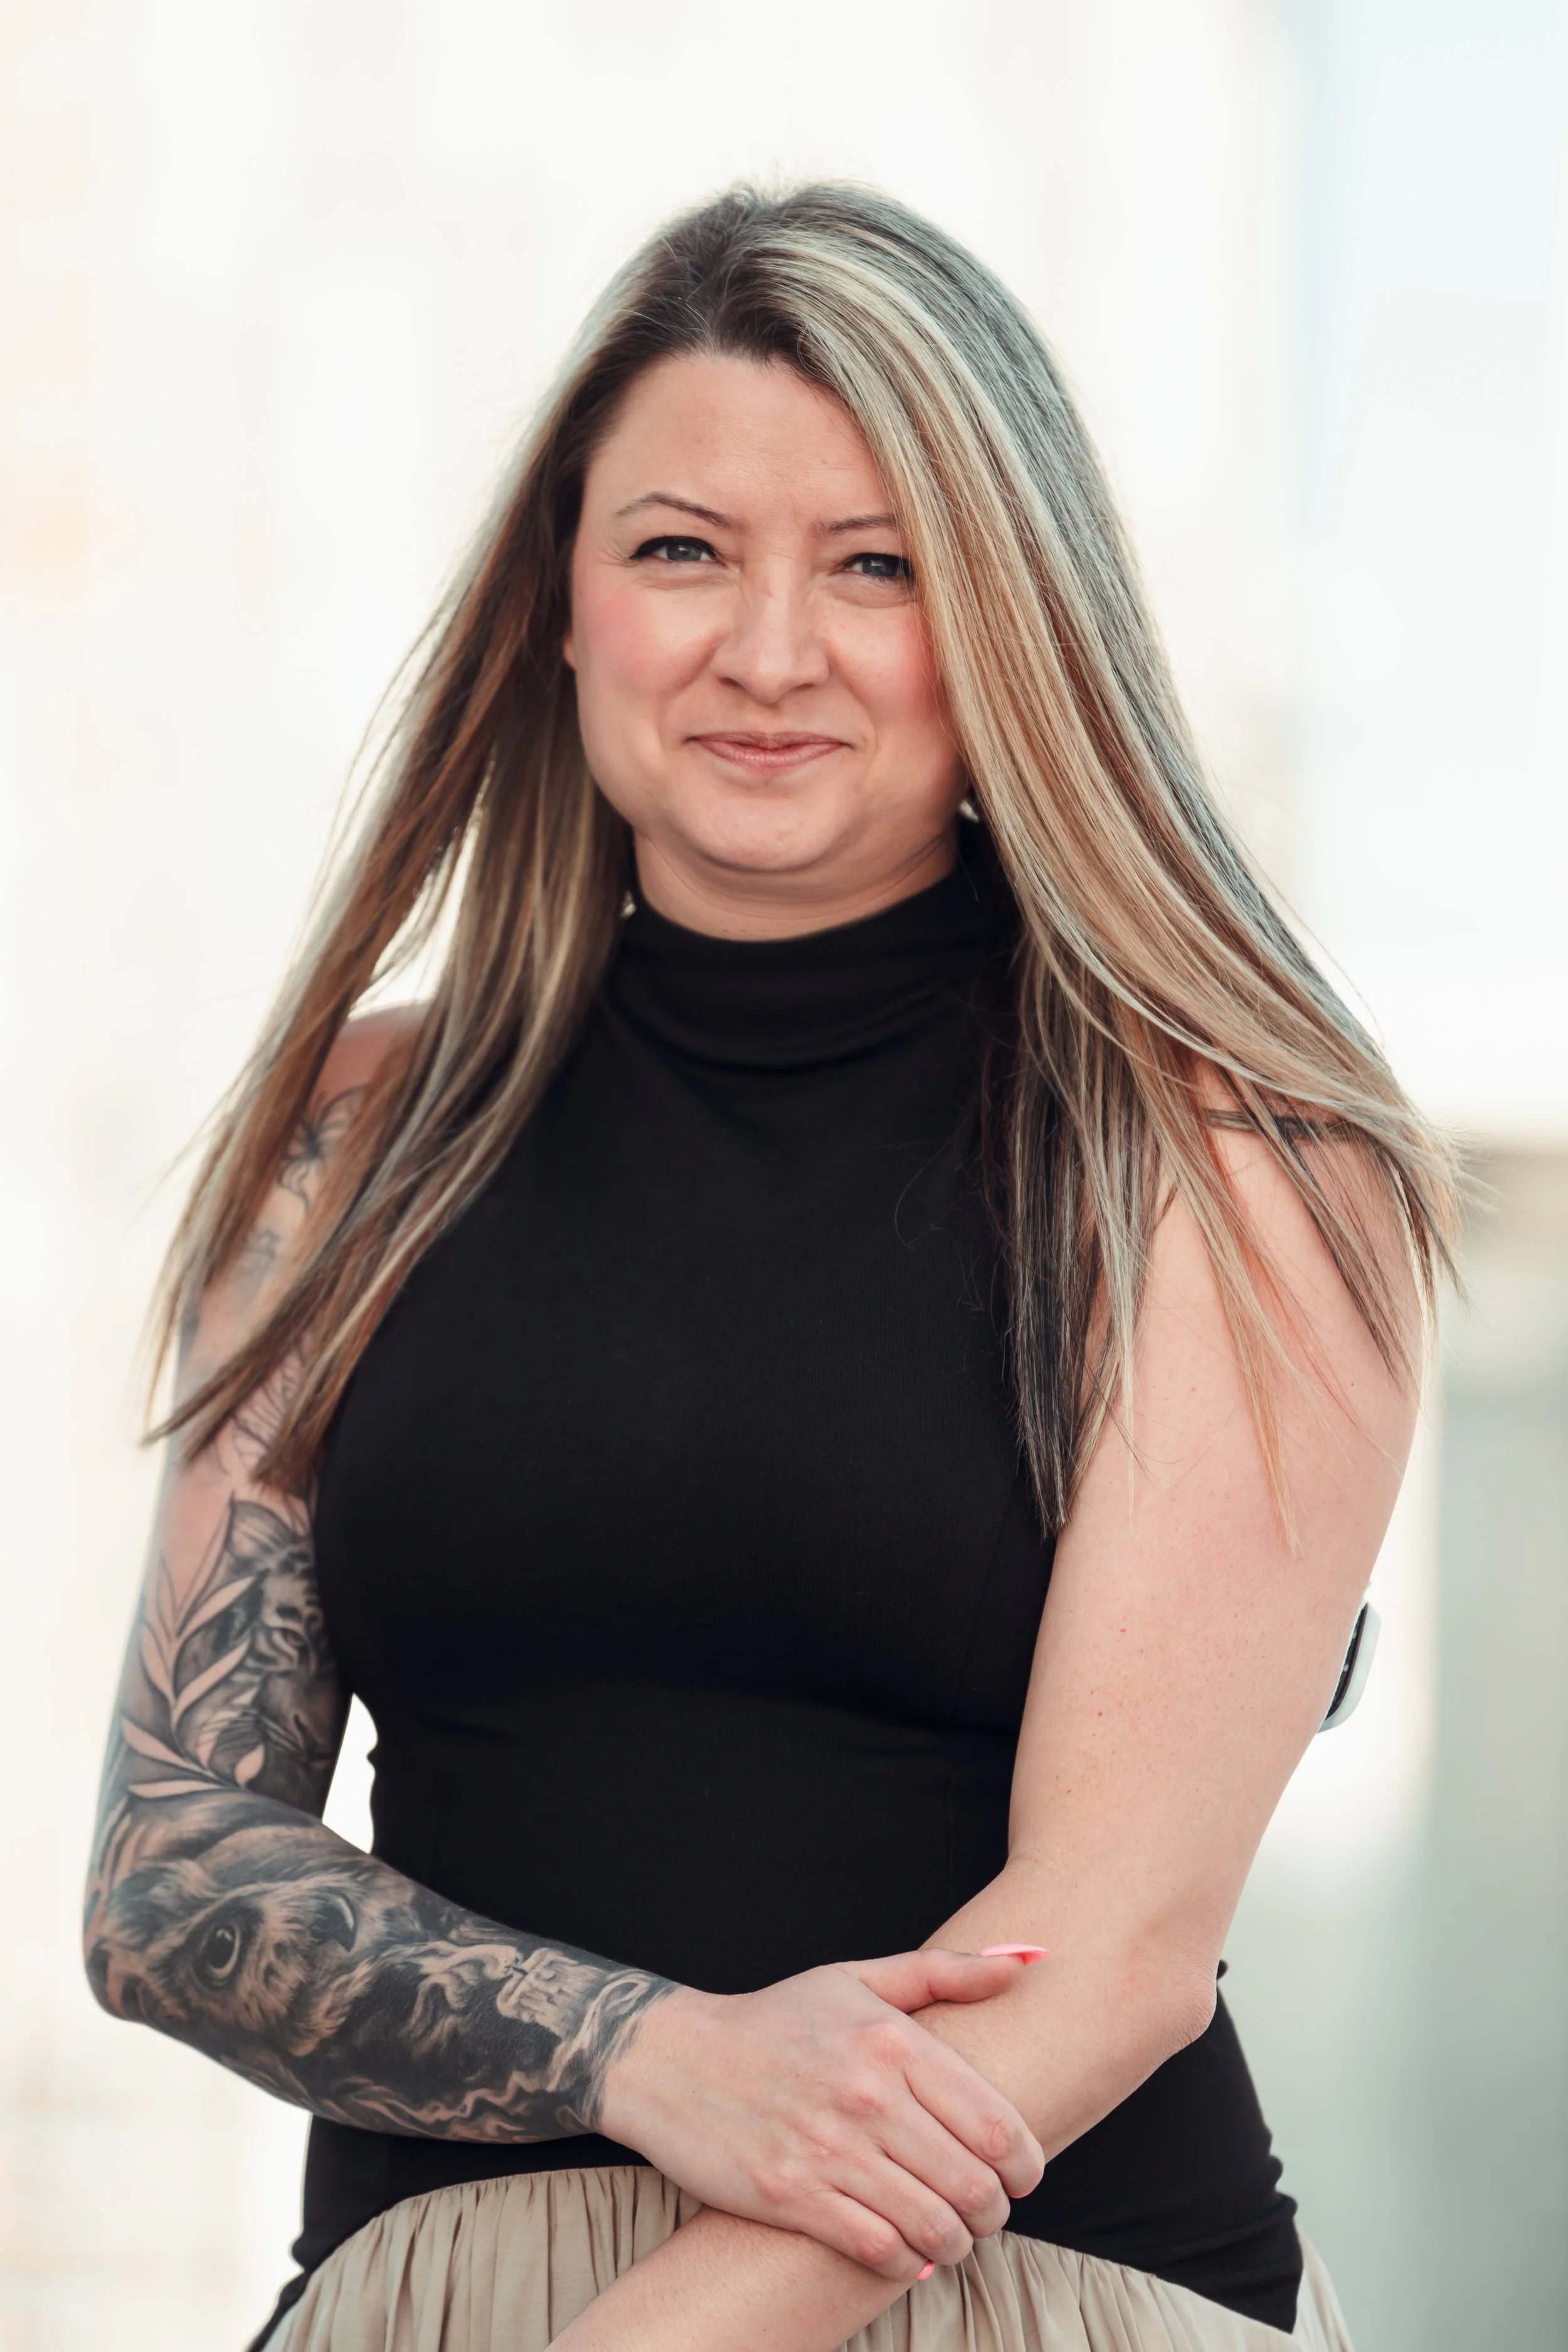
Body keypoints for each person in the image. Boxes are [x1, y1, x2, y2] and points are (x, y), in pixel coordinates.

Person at [84, 184, 1456, 2352]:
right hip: (426, 2297)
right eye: (681, 549)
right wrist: (649, 2050)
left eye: (876, 565)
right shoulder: (356, 1138)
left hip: (1011, 2294)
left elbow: (1102, 1961)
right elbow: (170, 1879)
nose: (769, 650)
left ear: (1011, 622)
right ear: (561, 601)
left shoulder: (1228, 1157)